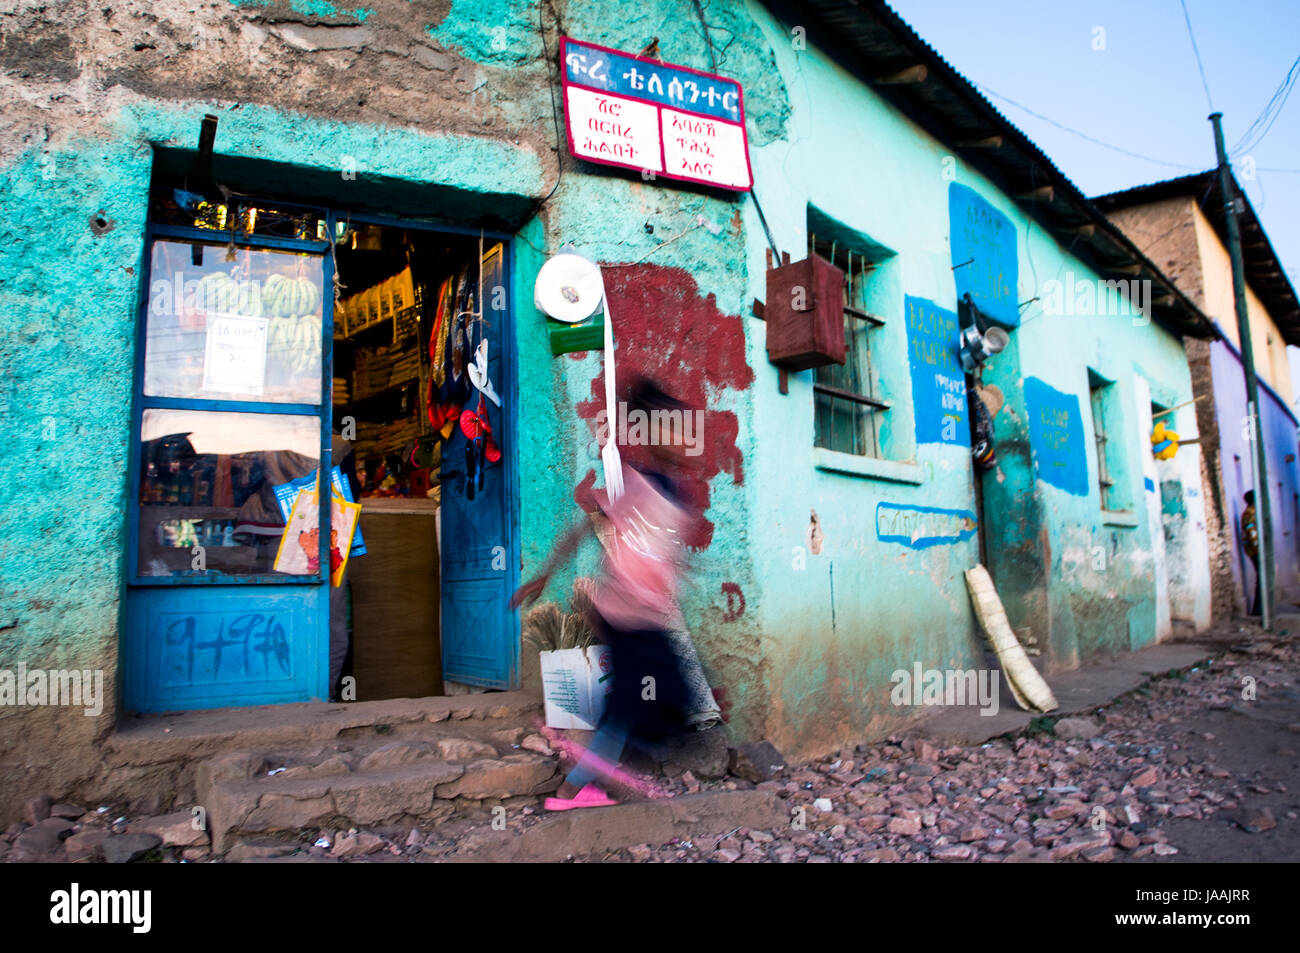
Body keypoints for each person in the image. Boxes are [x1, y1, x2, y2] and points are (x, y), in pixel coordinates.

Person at [510, 376, 700, 810]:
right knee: (642, 703)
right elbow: (586, 528)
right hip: (628, 615)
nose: (684, 439)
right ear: (655, 434)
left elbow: (659, 551)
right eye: (674, 429)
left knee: (648, 702)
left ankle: (586, 786)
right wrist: (543, 576)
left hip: (644, 615)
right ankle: (572, 789)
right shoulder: (639, 485)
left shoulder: (671, 488)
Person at [1241, 490, 1261, 617]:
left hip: (1255, 549)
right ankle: (1258, 610)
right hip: (1255, 550)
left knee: (1262, 580)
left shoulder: (1253, 513)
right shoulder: (1249, 514)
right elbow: (1251, 533)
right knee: (1262, 580)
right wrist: (1258, 548)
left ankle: (1259, 609)